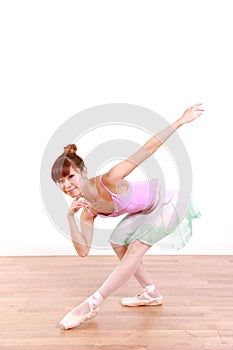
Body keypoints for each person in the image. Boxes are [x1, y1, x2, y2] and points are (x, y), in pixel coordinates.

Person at [51, 103, 203, 330]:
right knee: (117, 241)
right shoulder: (87, 211)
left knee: (134, 247)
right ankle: (151, 293)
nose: (66, 185)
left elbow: (147, 149)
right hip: (147, 210)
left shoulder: (110, 179)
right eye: (60, 182)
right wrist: (70, 217)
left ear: (83, 172)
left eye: (70, 177)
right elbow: (83, 251)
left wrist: (181, 120)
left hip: (168, 202)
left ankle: (92, 303)